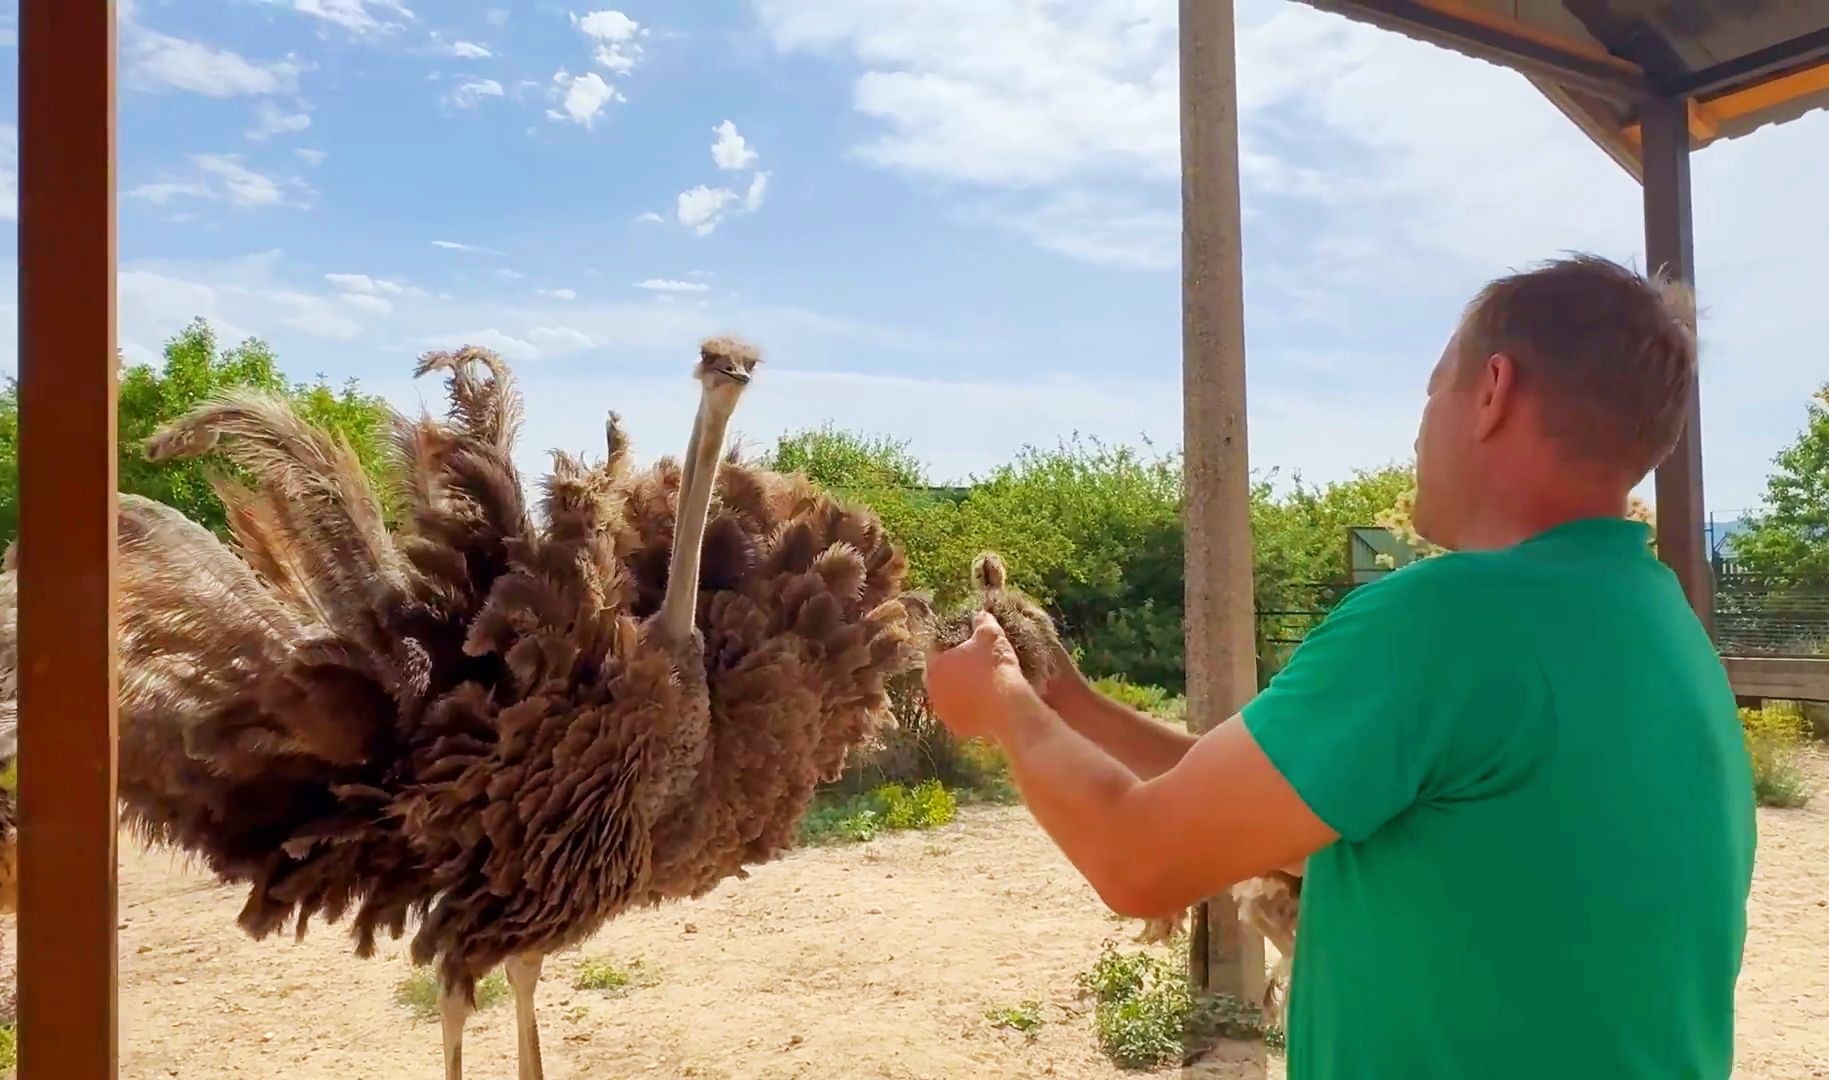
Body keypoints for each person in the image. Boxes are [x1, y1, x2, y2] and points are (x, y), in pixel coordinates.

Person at [923, 254, 1755, 1080]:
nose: (1420, 423)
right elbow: (1276, 802)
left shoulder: (1450, 618)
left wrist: (997, 702)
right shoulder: (1659, 626)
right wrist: (1071, 704)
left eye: (1433, 388)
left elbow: (1137, 860)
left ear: (1493, 391)